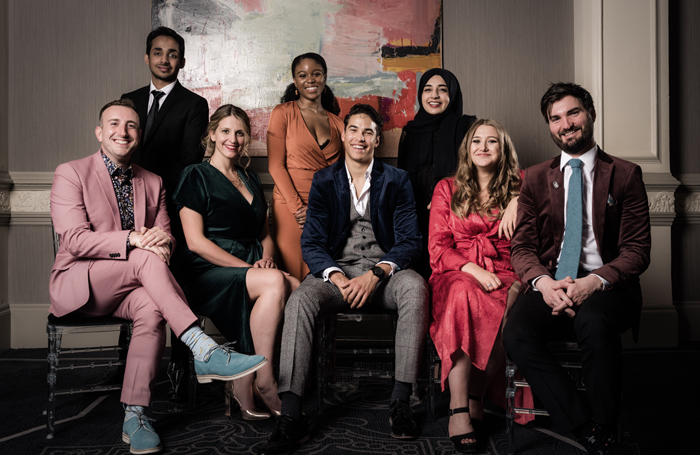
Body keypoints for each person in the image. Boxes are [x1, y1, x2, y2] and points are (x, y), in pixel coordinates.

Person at [49, 99, 266, 454]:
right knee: (144, 260)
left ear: (139, 135)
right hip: (84, 282)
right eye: (115, 124)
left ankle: (136, 416)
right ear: (100, 132)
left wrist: (156, 245)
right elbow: (73, 240)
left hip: (137, 286)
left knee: (151, 308)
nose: (124, 131)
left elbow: (167, 241)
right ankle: (201, 346)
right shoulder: (71, 172)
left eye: (132, 125)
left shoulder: (153, 182)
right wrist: (134, 239)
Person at [258, 104, 429, 455]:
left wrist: (377, 273)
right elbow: (313, 242)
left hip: (384, 274)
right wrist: (336, 276)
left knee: (416, 287)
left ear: (377, 139)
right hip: (338, 271)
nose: (360, 137)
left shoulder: (398, 180)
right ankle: (291, 414)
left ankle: (400, 401)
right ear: (343, 134)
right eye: (353, 130)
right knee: (301, 299)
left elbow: (410, 240)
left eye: (367, 131)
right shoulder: (325, 180)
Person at [503, 83, 651, 455]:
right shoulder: (536, 178)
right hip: (553, 280)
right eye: (555, 118)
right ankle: (587, 427)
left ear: (590, 114)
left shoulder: (625, 174)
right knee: (517, 332)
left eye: (572, 113)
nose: (565, 124)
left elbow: (637, 251)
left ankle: (606, 423)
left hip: (607, 288)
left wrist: (594, 282)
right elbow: (521, 246)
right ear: (549, 127)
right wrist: (543, 283)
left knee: (594, 322)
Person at [171, 105, 300, 420]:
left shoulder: (251, 178)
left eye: (240, 132)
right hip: (206, 270)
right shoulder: (195, 174)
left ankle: (247, 380)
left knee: (297, 287)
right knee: (275, 283)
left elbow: (265, 233)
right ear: (212, 134)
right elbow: (195, 242)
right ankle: (264, 380)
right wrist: (247, 268)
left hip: (252, 263)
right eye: (226, 131)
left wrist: (267, 258)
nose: (233, 138)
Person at [429, 119, 529, 453]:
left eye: (492, 142)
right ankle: (458, 409)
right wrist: (472, 269)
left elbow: (559, 174)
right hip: (456, 270)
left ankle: (476, 392)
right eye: (476, 141)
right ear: (467, 149)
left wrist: (520, 199)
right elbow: (438, 248)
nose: (483, 148)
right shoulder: (446, 188)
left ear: (504, 150)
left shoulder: (523, 185)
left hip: (508, 270)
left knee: (511, 312)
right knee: (462, 295)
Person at [121, 26, 209, 398]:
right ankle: (126, 359)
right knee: (129, 278)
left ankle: (181, 360)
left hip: (170, 207)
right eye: (158, 52)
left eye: (172, 54)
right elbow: (119, 148)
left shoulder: (193, 104)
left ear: (182, 61)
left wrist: (152, 193)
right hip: (126, 207)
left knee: (175, 279)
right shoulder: (130, 98)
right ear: (147, 58)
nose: (164, 59)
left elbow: (188, 159)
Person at [267, 52, 344, 281]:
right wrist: (299, 209)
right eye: (303, 75)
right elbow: (275, 166)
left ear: (325, 78)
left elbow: (344, 174)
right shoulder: (282, 113)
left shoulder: (338, 122)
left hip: (325, 207)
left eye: (316, 74)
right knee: (293, 273)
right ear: (295, 81)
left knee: (322, 274)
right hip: (291, 206)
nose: (310, 79)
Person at [398, 68, 477, 279]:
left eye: (442, 90)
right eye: (428, 90)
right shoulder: (410, 131)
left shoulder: (467, 126)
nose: (434, 96)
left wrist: (449, 197)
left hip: (455, 214)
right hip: (415, 216)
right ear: (420, 95)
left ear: (452, 95)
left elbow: (480, 171)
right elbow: (402, 177)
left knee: (449, 274)